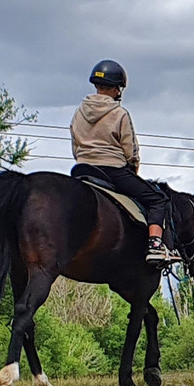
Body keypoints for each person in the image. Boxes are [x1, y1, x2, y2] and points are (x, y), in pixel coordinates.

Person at [70, 59, 178, 263]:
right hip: (112, 170)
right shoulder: (119, 113)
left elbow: (75, 145)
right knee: (158, 199)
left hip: (82, 169)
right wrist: (133, 168)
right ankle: (155, 244)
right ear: (116, 89)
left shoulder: (78, 112)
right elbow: (130, 150)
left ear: (96, 85)